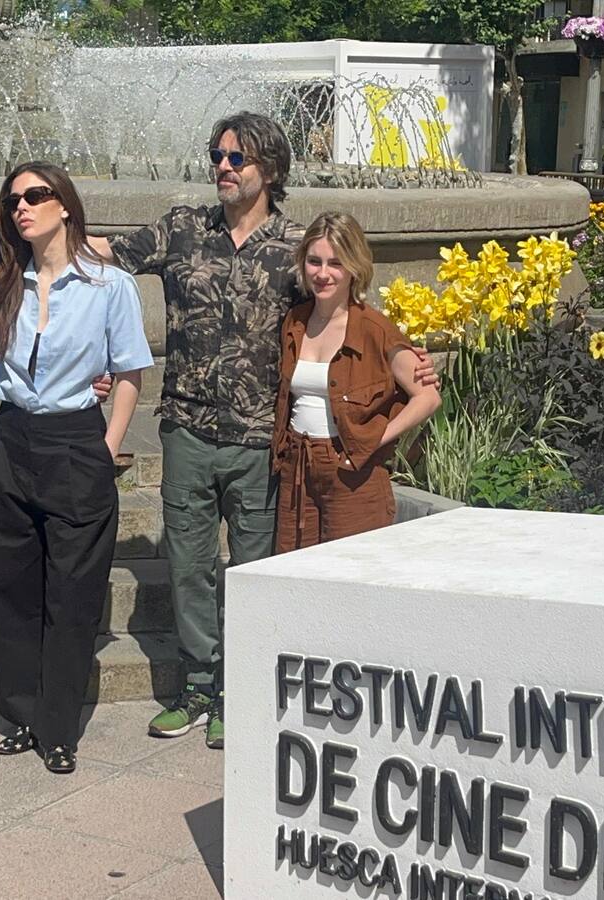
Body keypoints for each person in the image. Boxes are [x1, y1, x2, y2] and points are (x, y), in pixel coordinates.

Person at [74, 111, 436, 749]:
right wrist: (35, 231)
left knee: (250, 568)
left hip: (258, 441)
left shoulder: (295, 248)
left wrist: (402, 354)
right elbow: (102, 255)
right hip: (186, 428)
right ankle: (196, 683)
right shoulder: (182, 230)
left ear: (268, 169)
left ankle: (237, 688)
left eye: (235, 158)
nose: (222, 167)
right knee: (188, 567)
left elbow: (342, 303)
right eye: (216, 155)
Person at [0, 162, 152, 773]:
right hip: (11, 437)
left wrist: (106, 446)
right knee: (7, 585)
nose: (22, 206)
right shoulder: (3, 282)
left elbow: (129, 373)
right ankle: (22, 714)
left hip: (76, 442)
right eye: (13, 199)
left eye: (36, 195)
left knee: (73, 592)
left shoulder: (109, 285)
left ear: (66, 206)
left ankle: (59, 728)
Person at [272, 214, 440, 553]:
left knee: (350, 575)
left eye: (335, 263)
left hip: (352, 470)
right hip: (297, 466)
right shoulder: (295, 321)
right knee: (295, 574)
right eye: (314, 261)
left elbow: (427, 397)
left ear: (354, 267)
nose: (322, 274)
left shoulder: (373, 329)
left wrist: (375, 439)